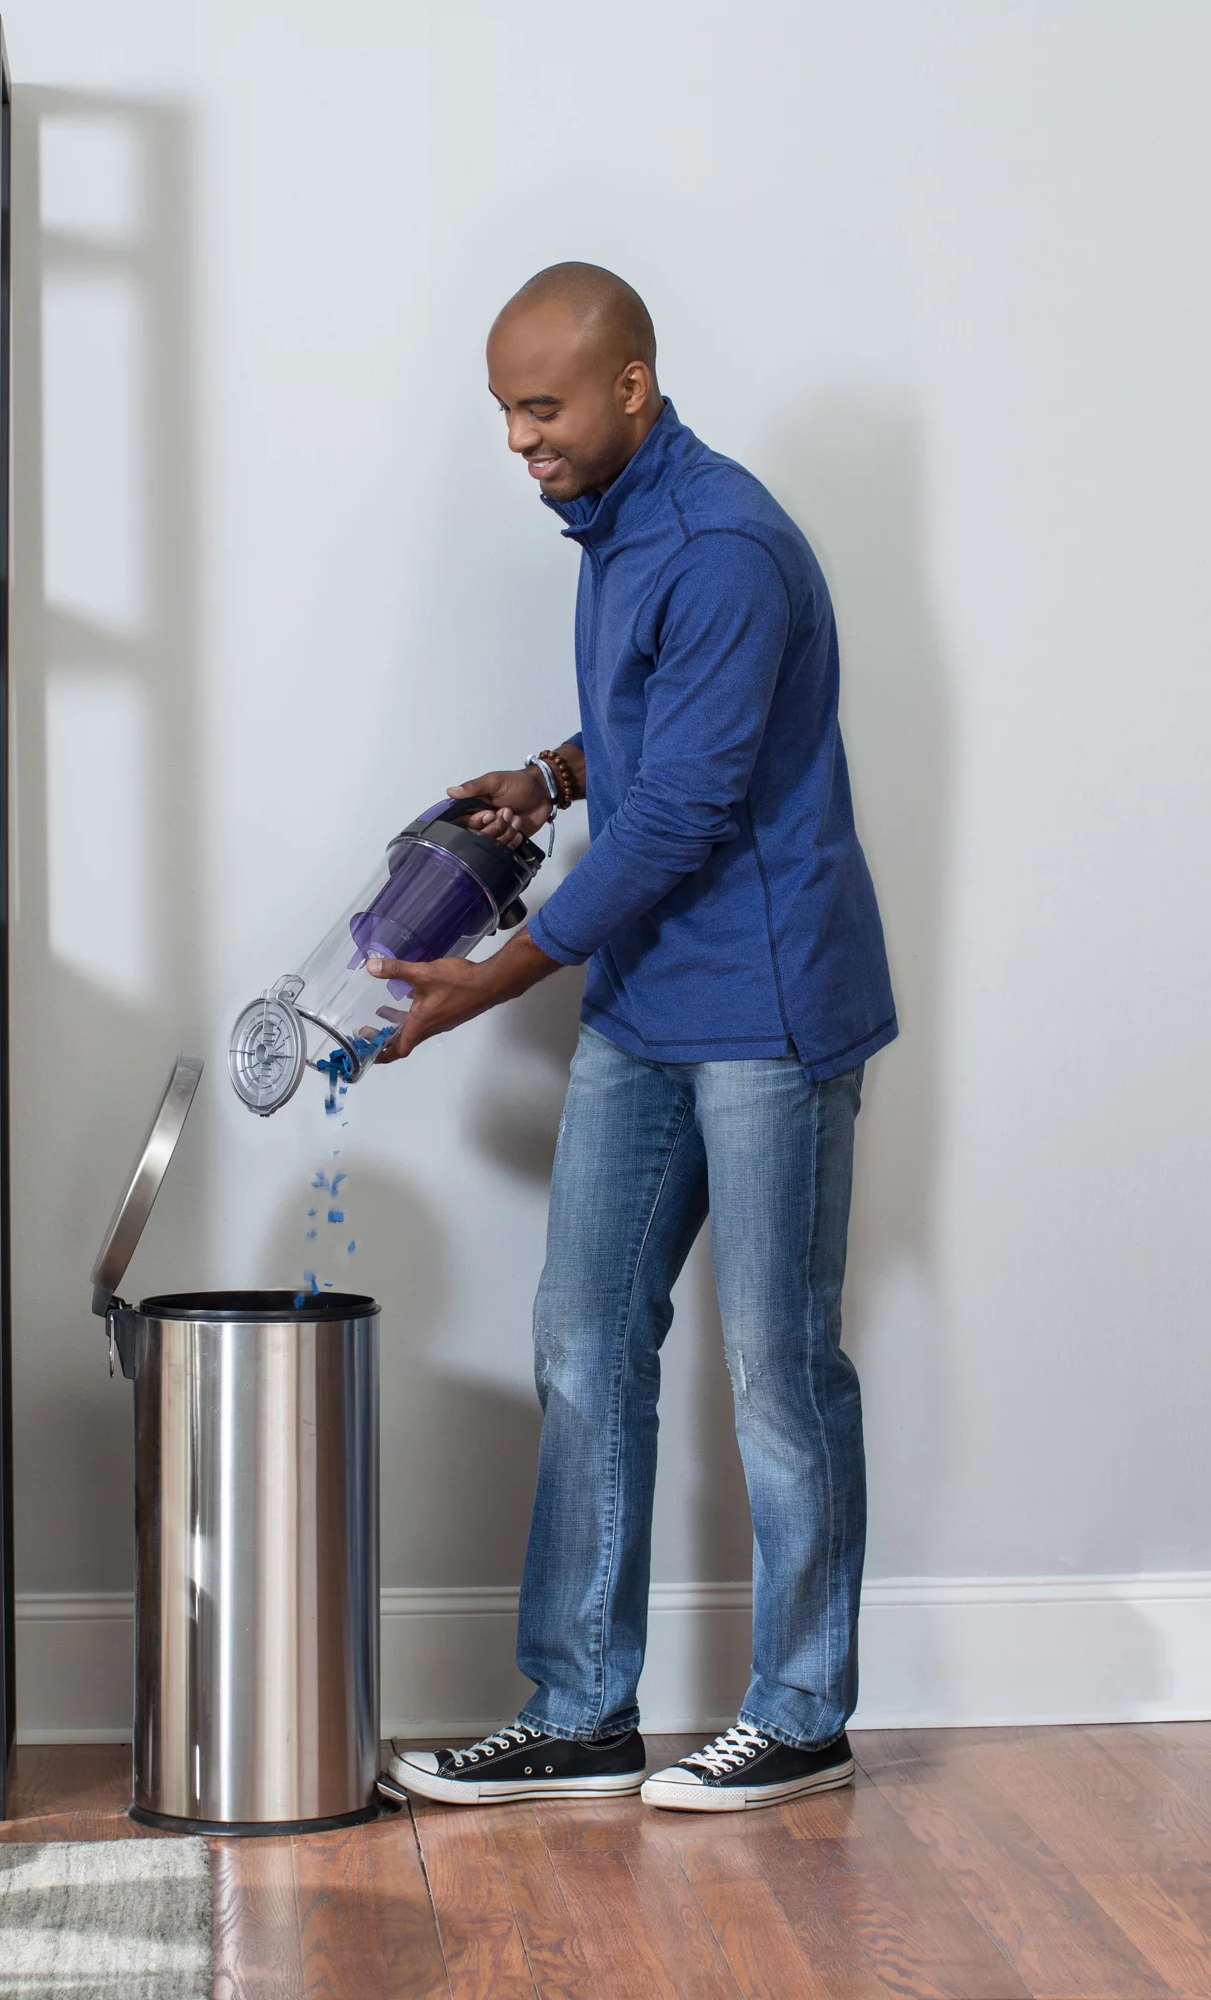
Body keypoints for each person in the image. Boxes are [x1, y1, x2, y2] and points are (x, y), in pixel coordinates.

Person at [379, 263, 895, 1814]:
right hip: (650, 1000)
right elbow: (657, 735)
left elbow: (682, 814)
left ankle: (801, 1715)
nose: (518, 441)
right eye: (503, 412)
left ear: (630, 385)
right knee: (585, 1339)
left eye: (540, 408)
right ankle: (583, 1711)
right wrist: (550, 775)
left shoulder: (725, 543)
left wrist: (492, 980)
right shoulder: (616, 521)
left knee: (779, 1365)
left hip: (768, 1007)